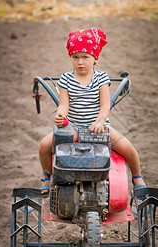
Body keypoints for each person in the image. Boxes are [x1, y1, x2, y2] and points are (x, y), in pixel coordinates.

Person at [39, 28, 146, 197]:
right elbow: (64, 104)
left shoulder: (101, 78)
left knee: (127, 147)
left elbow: (105, 106)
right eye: (75, 57)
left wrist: (99, 122)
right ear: (70, 58)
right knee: (44, 145)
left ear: (95, 58)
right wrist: (61, 116)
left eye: (85, 57)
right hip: (73, 126)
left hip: (99, 125)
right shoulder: (65, 79)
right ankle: (47, 176)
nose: (80, 62)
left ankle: (137, 177)